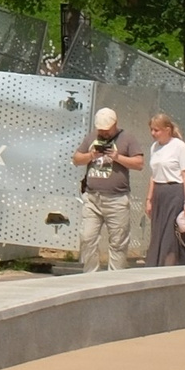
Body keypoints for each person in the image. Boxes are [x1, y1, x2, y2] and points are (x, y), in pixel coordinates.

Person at [70, 107, 145, 272]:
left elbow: (139, 163)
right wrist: (91, 156)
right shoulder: (91, 137)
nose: (103, 133)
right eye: (101, 130)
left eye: (106, 130)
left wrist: (118, 157)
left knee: (118, 241)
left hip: (116, 199)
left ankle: (114, 278)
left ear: (114, 124)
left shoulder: (127, 138)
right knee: (87, 237)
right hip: (92, 197)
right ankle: (90, 275)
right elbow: (76, 159)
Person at [142, 113, 185, 266]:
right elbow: (153, 175)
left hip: (174, 192)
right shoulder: (154, 147)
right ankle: (157, 263)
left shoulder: (178, 146)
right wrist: (149, 199)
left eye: (156, 130)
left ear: (167, 130)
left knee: (171, 234)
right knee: (159, 232)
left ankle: (169, 264)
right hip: (159, 192)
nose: (153, 133)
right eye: (151, 130)